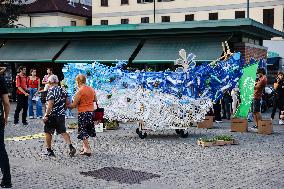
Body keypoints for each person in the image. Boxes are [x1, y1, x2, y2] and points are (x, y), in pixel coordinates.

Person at [43, 75, 76, 157]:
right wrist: (63, 110)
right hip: (61, 114)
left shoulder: (50, 91)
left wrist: (46, 115)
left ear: (50, 82)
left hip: (52, 115)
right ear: (57, 82)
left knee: (48, 132)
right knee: (63, 131)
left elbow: (50, 104)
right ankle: (71, 146)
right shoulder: (63, 90)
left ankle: (49, 150)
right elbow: (67, 103)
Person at [70, 74, 97, 156]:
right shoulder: (91, 89)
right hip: (91, 112)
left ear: (78, 81)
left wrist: (67, 105)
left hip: (83, 112)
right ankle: (85, 148)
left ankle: (87, 149)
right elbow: (95, 99)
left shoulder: (80, 91)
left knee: (83, 130)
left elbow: (74, 105)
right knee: (87, 129)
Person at [0, 74, 12, 188]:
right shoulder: (1, 78)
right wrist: (5, 117)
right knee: (0, 149)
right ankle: (7, 180)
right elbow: (6, 102)